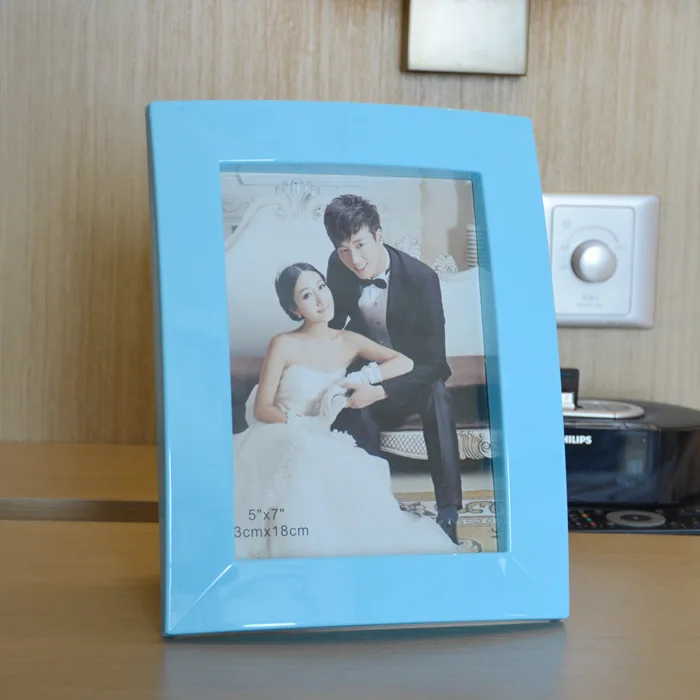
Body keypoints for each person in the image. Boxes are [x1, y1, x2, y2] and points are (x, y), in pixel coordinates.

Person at [232, 262, 459, 560]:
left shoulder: (348, 340)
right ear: (295, 309)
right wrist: (304, 426)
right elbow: (263, 408)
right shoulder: (283, 343)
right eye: (307, 295)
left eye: (322, 287)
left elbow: (404, 362)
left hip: (322, 436)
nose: (320, 299)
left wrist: (364, 378)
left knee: (356, 497)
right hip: (282, 430)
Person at [324, 194, 463, 544]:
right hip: (365, 369)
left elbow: (436, 363)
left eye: (360, 245)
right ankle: (372, 511)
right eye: (344, 250)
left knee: (438, 395)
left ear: (379, 235)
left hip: (411, 379)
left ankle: (448, 513)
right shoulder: (338, 265)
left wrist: (382, 390)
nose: (354, 260)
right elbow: (333, 326)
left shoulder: (422, 279)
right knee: (349, 403)